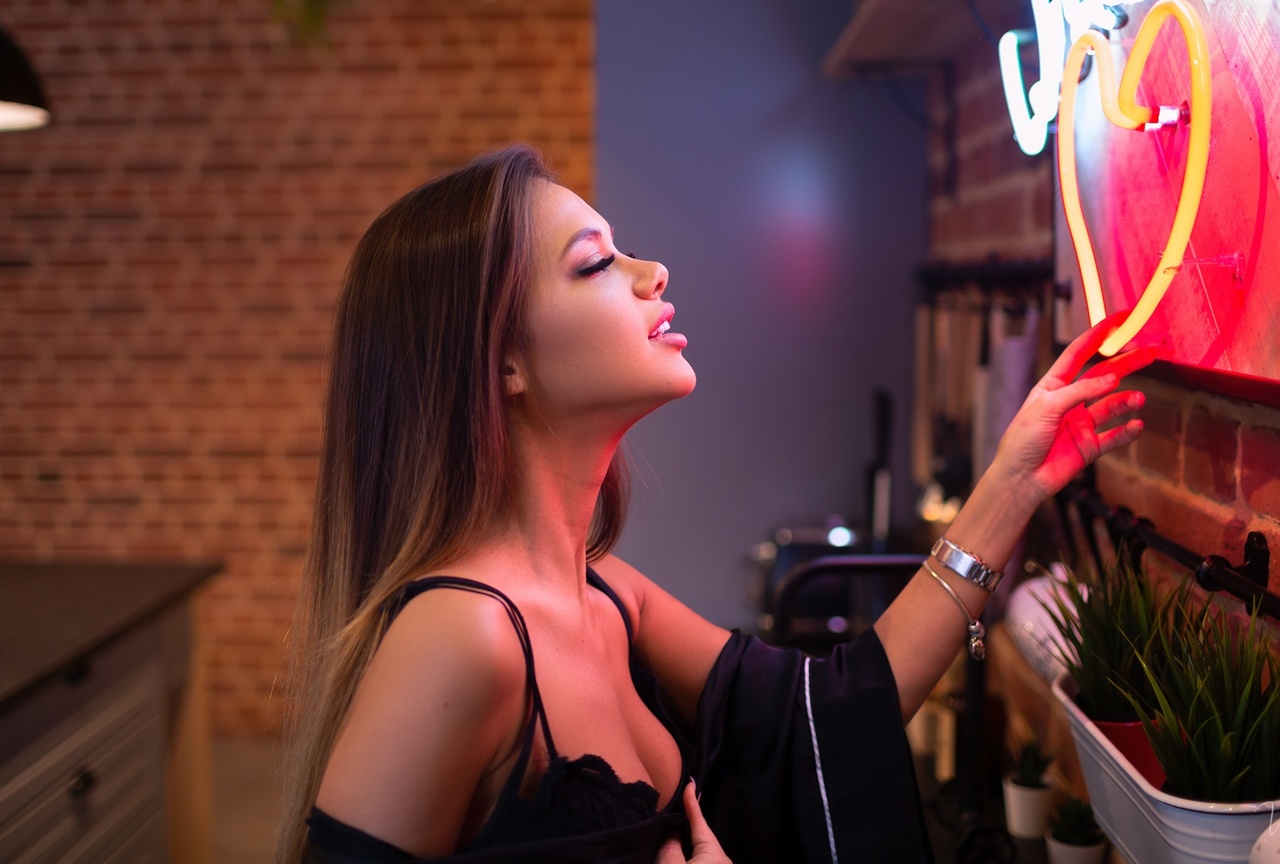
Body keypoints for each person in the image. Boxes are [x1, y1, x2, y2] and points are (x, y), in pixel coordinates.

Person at [275, 146, 1152, 864]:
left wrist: (1017, 480)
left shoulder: (607, 596)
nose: (652, 272)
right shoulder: (462, 638)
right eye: (594, 264)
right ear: (501, 364)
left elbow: (828, 715)